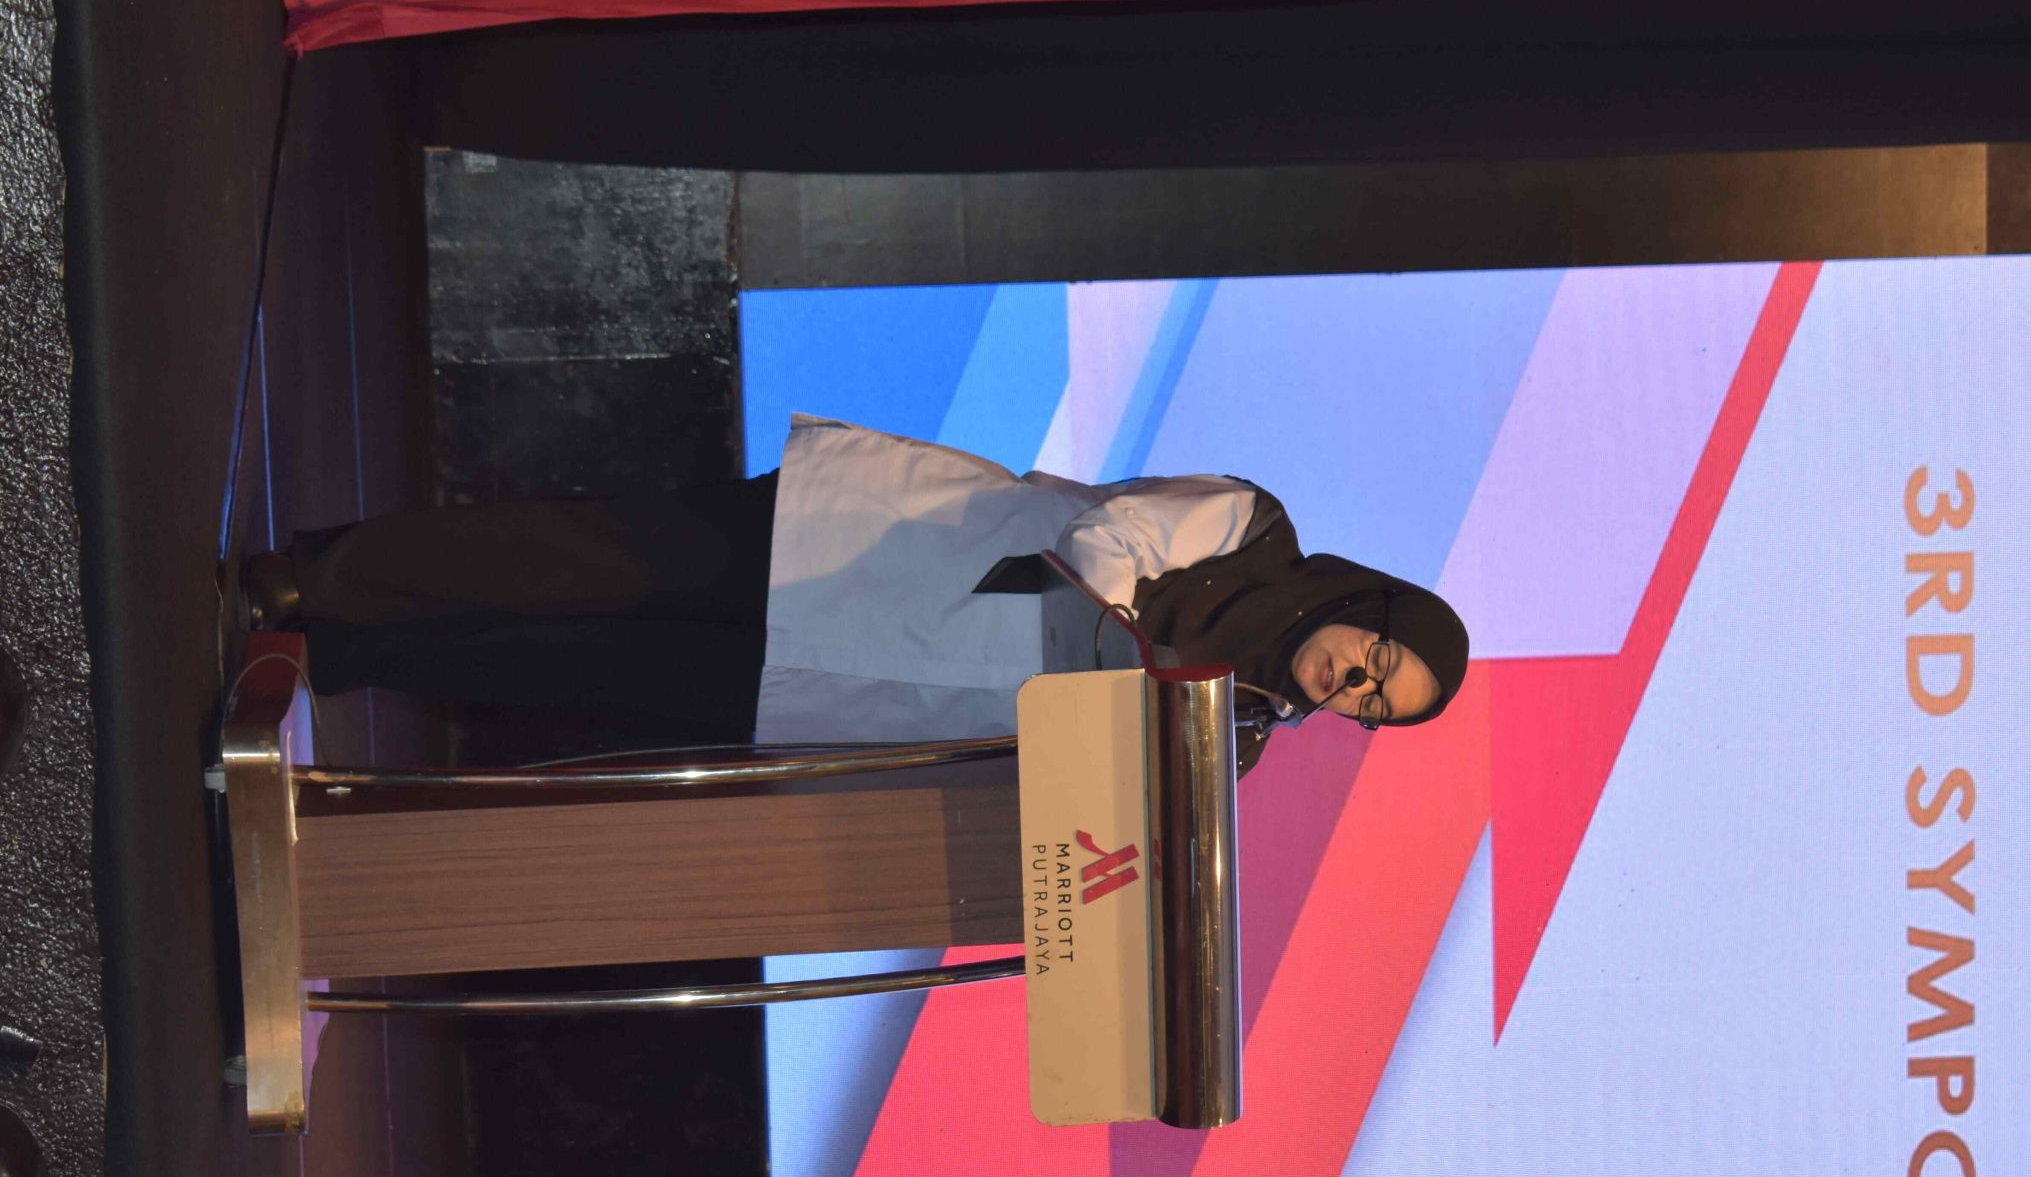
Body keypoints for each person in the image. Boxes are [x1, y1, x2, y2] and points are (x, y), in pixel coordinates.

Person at [237, 414, 1469, 771]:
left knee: (574, 668)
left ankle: (341, 650)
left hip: (862, 690)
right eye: (1376, 658)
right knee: (584, 558)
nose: (1351, 683)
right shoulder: (1254, 529)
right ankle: (317, 577)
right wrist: (1127, 659)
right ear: (1367, 605)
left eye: (1372, 704)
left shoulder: (1230, 743)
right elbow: (1111, 536)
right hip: (866, 553)